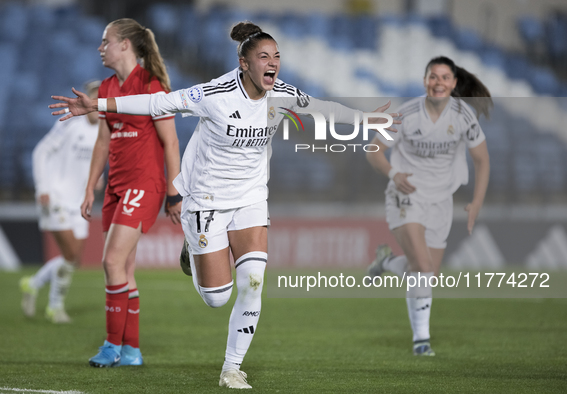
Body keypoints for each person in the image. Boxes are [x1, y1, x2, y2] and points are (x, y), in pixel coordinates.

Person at [50, 21, 398, 388]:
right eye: (264, 56)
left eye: (277, 56)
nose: (273, 62)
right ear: (244, 64)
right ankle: (193, 246)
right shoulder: (214, 94)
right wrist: (98, 104)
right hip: (206, 200)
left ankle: (231, 367)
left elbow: (321, 108)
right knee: (217, 298)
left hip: (250, 198)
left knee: (253, 281)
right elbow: (158, 102)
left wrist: (368, 119)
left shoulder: (281, 94)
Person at [366, 56, 491, 356]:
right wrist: (394, 174)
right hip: (405, 194)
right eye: (433, 77)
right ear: (425, 81)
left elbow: (482, 160)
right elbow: (373, 150)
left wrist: (476, 203)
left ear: (454, 83)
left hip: (441, 200)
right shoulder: (406, 113)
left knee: (426, 273)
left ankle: (385, 262)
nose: (438, 83)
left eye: (445, 78)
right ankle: (421, 341)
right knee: (422, 267)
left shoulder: (464, 116)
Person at [77, 18, 181, 368]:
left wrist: (173, 192)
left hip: (144, 184)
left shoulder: (153, 87)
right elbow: (103, 141)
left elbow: (171, 142)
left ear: (125, 45)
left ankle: (111, 345)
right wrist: (91, 186)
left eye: (105, 40)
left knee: (110, 261)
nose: (100, 47)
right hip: (116, 187)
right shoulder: (106, 87)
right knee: (125, 268)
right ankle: (132, 351)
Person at [20, 81, 101, 324]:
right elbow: (40, 151)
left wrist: (97, 179)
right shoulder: (69, 122)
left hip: (79, 201)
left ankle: (32, 283)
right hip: (55, 196)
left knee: (73, 258)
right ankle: (55, 308)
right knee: (70, 253)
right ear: (87, 99)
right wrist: (42, 188)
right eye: (95, 97)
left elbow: (95, 161)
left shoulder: (103, 131)